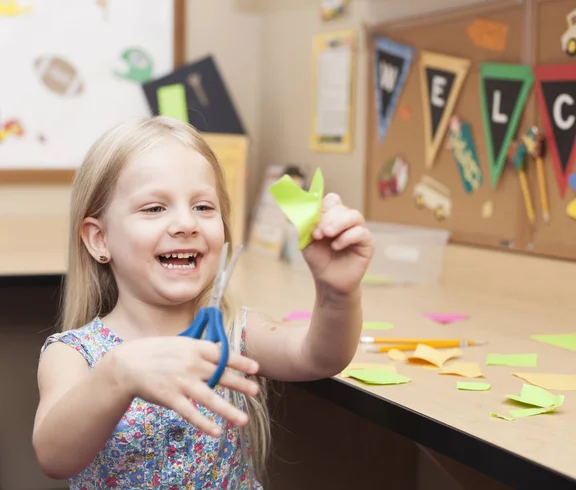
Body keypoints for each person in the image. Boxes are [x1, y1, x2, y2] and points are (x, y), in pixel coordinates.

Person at [32, 116, 374, 489]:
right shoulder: (75, 354)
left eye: (203, 207)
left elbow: (320, 356)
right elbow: (54, 458)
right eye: (154, 208)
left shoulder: (233, 331)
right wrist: (119, 374)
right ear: (99, 239)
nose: (186, 224)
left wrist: (337, 292)